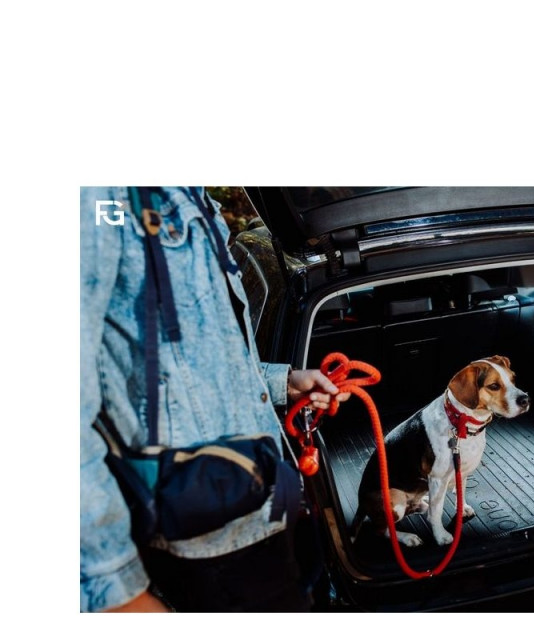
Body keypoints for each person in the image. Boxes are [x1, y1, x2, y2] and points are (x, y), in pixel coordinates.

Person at [81, 187, 347, 612]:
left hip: (266, 504)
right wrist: (116, 592)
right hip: (204, 538)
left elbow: (194, 360)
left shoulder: (187, 193)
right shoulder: (97, 198)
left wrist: (284, 381)